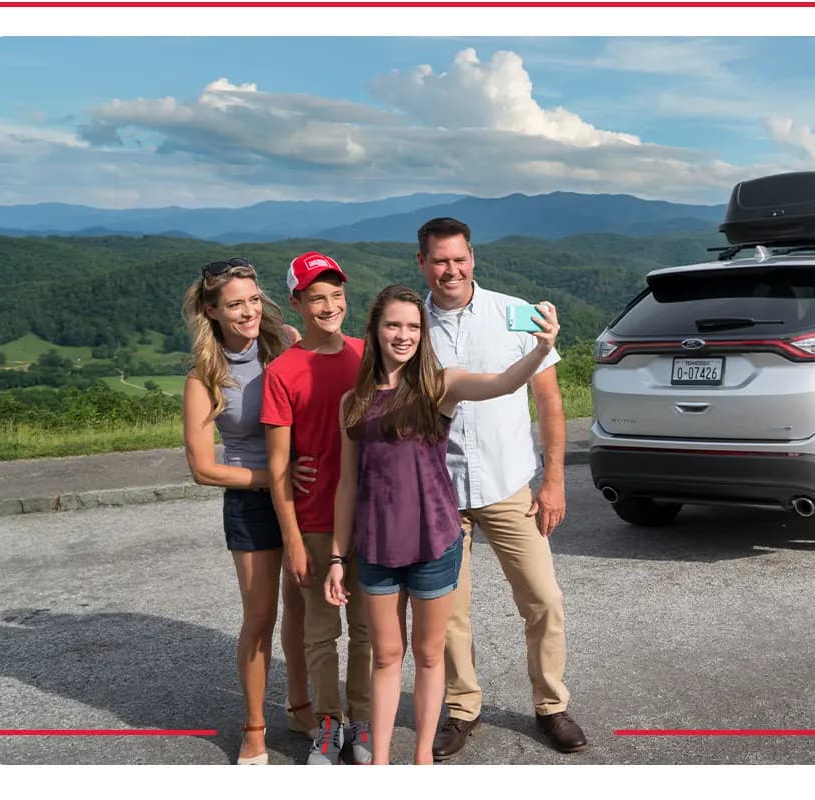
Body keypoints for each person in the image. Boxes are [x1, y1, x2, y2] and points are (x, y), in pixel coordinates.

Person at [323, 284, 559, 765]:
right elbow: (347, 486)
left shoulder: (439, 385)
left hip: (435, 541)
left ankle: (424, 762)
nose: (403, 335)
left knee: (430, 657)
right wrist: (335, 556)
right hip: (377, 547)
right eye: (393, 325)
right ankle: (383, 762)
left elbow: (502, 384)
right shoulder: (353, 401)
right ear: (375, 330)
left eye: (413, 326)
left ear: (422, 332)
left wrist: (541, 348)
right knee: (388, 657)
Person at [418, 217, 588, 757]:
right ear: (422, 263)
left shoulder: (516, 314)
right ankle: (463, 708)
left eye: (459, 258)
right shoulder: (407, 324)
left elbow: (550, 402)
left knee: (544, 599)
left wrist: (554, 480)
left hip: (508, 483)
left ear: (474, 258)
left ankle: (551, 705)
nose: (452, 269)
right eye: (440, 260)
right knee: (449, 613)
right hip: (438, 491)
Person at [180, 256, 313, 765]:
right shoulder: (203, 379)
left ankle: (301, 705)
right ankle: (255, 727)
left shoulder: (288, 344)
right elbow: (203, 468)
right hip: (252, 501)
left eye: (254, 300)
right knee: (260, 618)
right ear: (211, 311)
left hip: (302, 495)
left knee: (300, 608)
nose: (249, 311)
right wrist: (272, 479)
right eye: (235, 304)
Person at [262, 251, 372, 765]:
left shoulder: (367, 354)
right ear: (296, 303)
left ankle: (364, 720)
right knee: (322, 633)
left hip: (371, 522)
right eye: (316, 297)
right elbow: (280, 468)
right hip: (314, 523)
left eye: (336, 295)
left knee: (370, 631)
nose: (328, 305)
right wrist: (291, 542)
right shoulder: (283, 371)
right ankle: (328, 725)